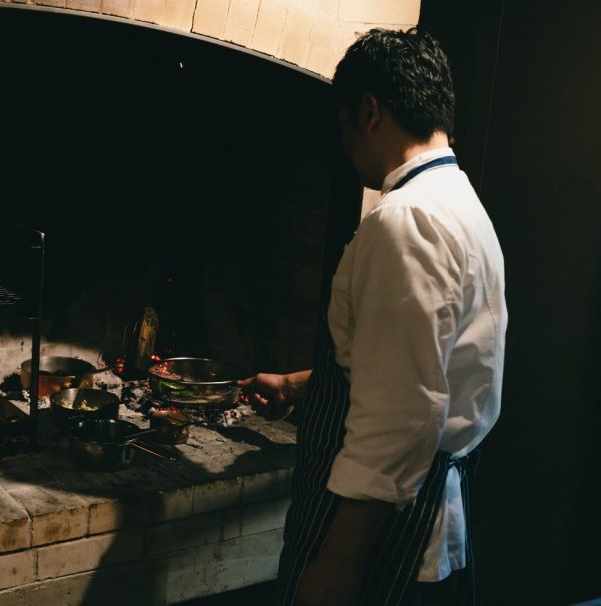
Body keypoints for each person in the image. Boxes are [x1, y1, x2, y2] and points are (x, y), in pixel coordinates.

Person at [239, 28, 507, 606]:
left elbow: (403, 411)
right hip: (424, 519)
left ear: (369, 111)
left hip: (385, 538)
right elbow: (419, 366)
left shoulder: (405, 220)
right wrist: (296, 385)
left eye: (342, 124)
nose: (344, 143)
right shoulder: (458, 201)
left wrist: (339, 561)